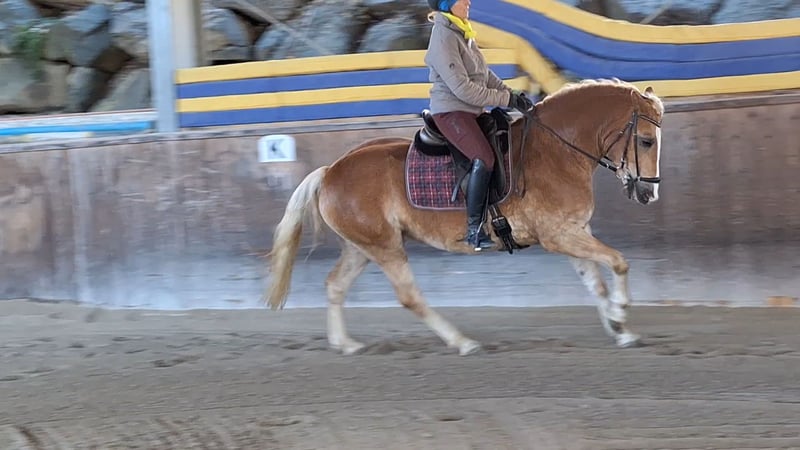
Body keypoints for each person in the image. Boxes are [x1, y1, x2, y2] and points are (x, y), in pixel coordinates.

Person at [424, 0, 534, 252]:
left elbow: (485, 74)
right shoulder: (443, 37)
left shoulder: (461, 31)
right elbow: (463, 89)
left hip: (471, 110)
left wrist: (512, 94)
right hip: (451, 111)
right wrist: (504, 99)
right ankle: (474, 228)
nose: (468, 1)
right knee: (483, 157)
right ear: (447, 4)